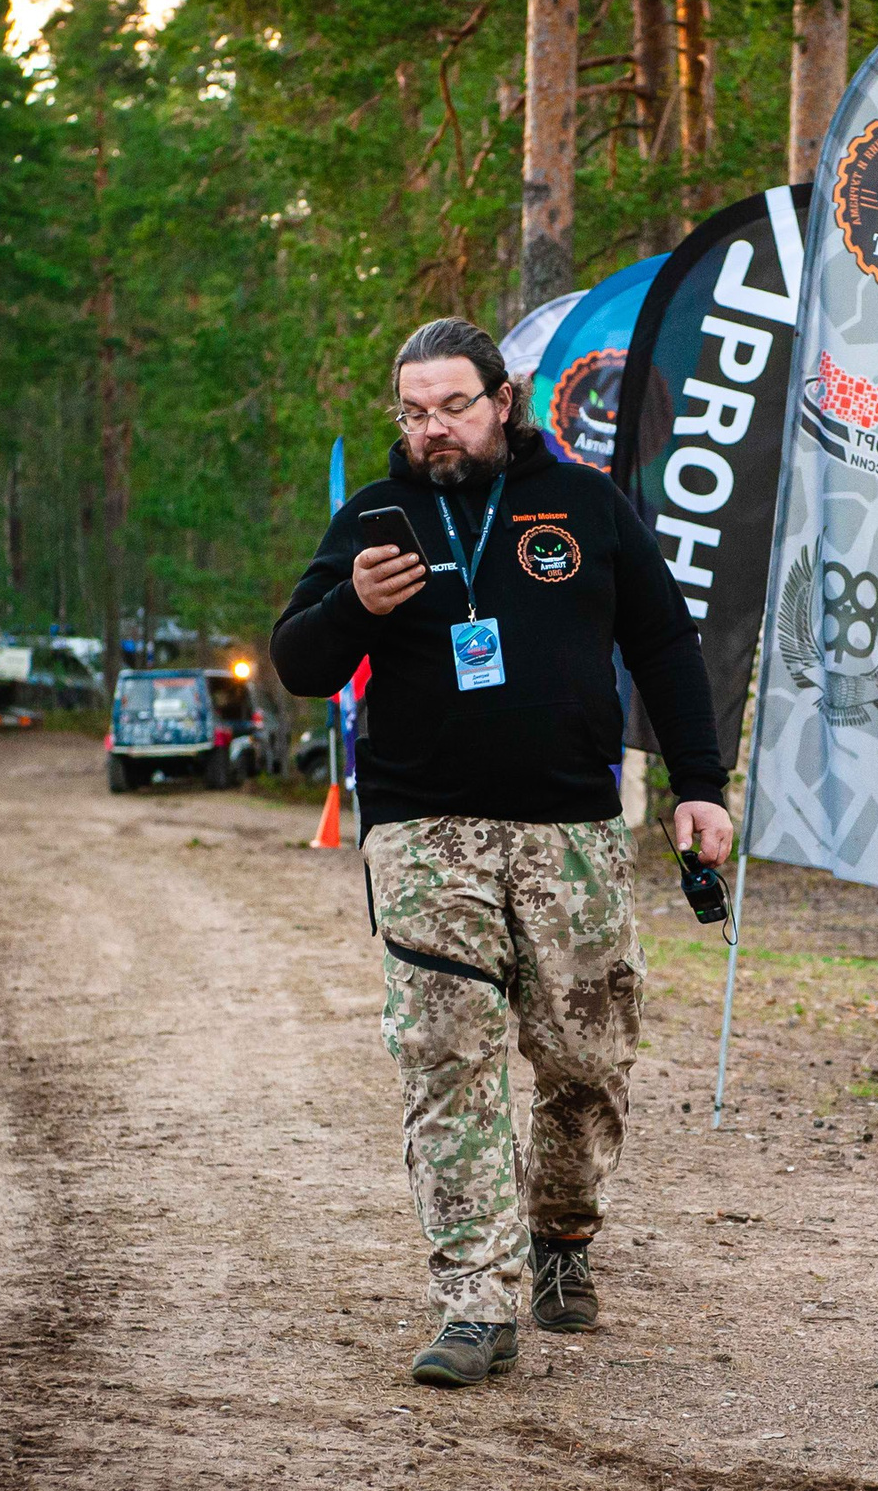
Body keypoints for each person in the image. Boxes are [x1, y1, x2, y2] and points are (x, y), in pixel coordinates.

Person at [272, 317, 733, 1389]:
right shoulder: (375, 518)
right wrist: (353, 606)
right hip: (424, 829)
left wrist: (698, 785)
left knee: (584, 1059)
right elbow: (299, 657)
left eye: (453, 406)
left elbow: (661, 639)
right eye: (414, 410)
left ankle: (560, 1235)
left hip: (570, 827)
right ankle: (473, 1299)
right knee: (445, 1057)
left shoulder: (584, 506)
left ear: (502, 400)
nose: (434, 428)